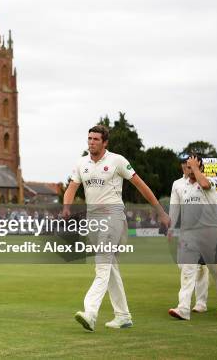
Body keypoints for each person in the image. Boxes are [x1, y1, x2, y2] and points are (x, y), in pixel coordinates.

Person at [62, 125, 170, 331]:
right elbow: (72, 188)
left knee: (101, 265)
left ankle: (90, 313)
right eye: (89, 138)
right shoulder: (81, 163)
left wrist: (161, 212)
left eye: (95, 139)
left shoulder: (117, 161)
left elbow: (141, 185)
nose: (91, 142)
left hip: (114, 217)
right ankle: (123, 316)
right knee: (109, 268)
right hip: (93, 220)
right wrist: (66, 207)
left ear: (105, 142)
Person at [168, 154, 217, 319]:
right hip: (189, 233)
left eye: (193, 167)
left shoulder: (208, 181)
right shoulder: (184, 186)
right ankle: (183, 308)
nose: (190, 170)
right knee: (188, 272)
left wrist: (196, 169)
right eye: (188, 167)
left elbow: (203, 184)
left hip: (209, 232)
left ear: (200, 167)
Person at [169, 153, 209, 313]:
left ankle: (200, 303)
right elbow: (174, 207)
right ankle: (186, 305)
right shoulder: (177, 184)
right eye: (186, 164)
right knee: (184, 265)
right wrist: (170, 227)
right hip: (186, 231)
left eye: (191, 164)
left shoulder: (204, 181)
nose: (188, 167)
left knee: (202, 268)